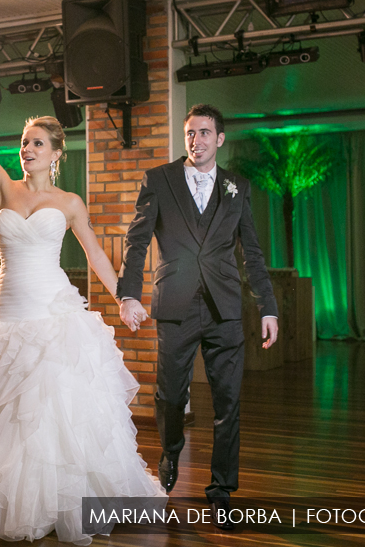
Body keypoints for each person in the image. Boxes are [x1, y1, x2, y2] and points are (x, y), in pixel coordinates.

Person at [0, 61, 166, 545]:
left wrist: (125, 297)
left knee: (46, 412)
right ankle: (0, 496)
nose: (27, 150)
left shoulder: (69, 202)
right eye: (24, 143)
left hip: (51, 313)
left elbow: (97, 253)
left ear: (56, 153)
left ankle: (53, 500)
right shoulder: (2, 186)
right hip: (7, 313)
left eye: (37, 143)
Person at [117, 103, 278, 530]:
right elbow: (136, 243)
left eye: (205, 133)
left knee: (228, 401)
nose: (197, 141)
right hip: (176, 306)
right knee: (171, 396)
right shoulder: (159, 180)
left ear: (219, 139)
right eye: (191, 133)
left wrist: (268, 307)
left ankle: (221, 488)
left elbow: (254, 254)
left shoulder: (237, 187)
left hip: (225, 309)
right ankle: (170, 452)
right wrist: (128, 294)